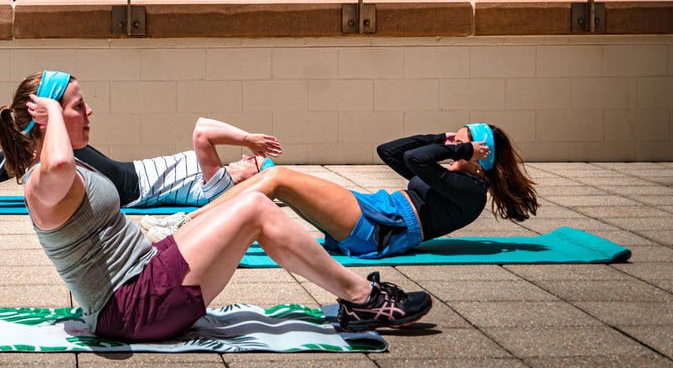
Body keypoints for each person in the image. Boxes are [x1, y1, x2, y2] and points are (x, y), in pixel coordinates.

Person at [0, 69, 432, 342]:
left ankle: (359, 296)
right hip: (134, 308)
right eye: (76, 106)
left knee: (249, 198)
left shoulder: (61, 172)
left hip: (147, 277)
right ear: (46, 119)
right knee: (257, 210)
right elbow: (56, 160)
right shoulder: (43, 181)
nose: (89, 110)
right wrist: (50, 107)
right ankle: (362, 298)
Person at [145, 125, 540, 259]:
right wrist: (442, 137)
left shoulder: (470, 190)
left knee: (277, 178)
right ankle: (188, 227)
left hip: (382, 230)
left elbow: (419, 162)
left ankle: (182, 225)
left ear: (480, 156)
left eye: (465, 144)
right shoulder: (455, 178)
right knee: (270, 183)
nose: (455, 147)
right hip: (376, 212)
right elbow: (391, 152)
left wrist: (457, 151)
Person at [0, 116, 279, 209]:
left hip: (128, 188)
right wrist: (249, 142)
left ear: (250, 181)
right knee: (41, 143)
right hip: (127, 176)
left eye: (254, 163)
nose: (248, 157)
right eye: (252, 156)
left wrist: (249, 137)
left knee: (47, 139)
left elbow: (202, 130)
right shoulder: (217, 176)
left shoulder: (217, 184)